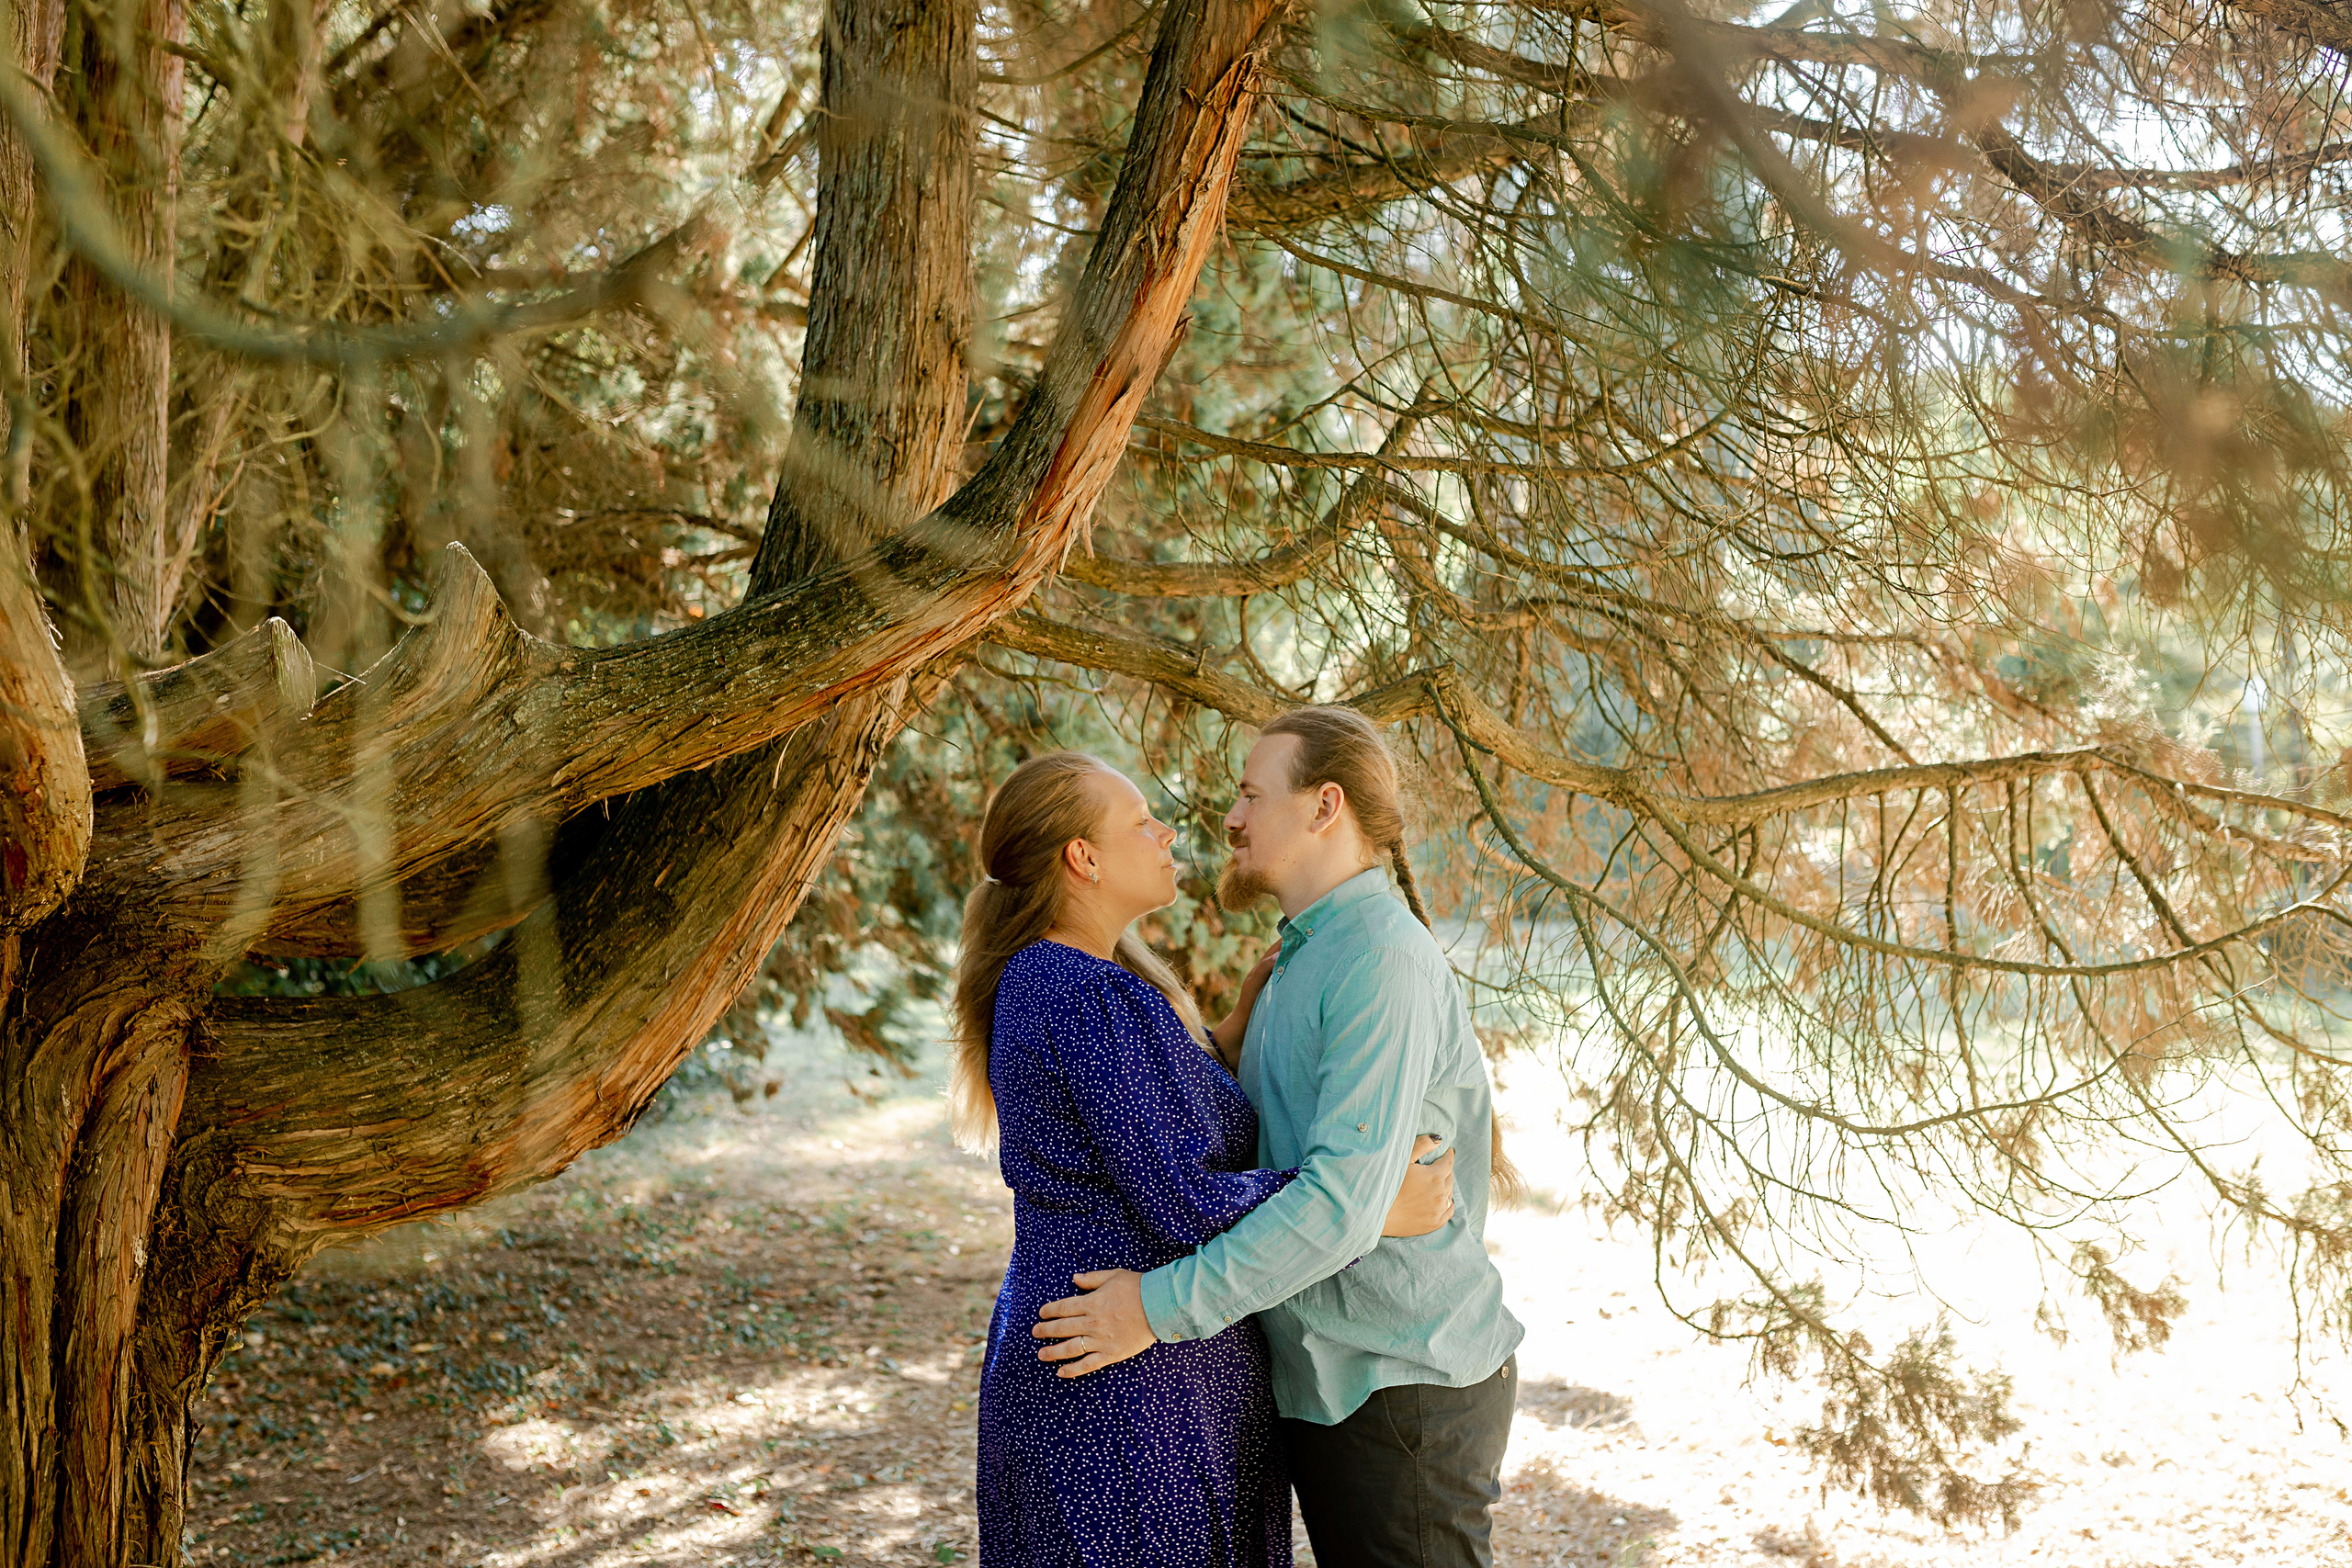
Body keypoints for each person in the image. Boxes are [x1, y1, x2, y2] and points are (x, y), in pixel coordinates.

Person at [1030, 706, 1526, 1568]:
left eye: (1252, 794)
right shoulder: (1303, 956)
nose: (1229, 818)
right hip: (1330, 1381)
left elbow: (1336, 1203)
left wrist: (1153, 1308)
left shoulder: (1379, 958)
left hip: (1400, 1384)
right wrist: (1223, 1044)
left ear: (1324, 806)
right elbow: (1240, 1146)